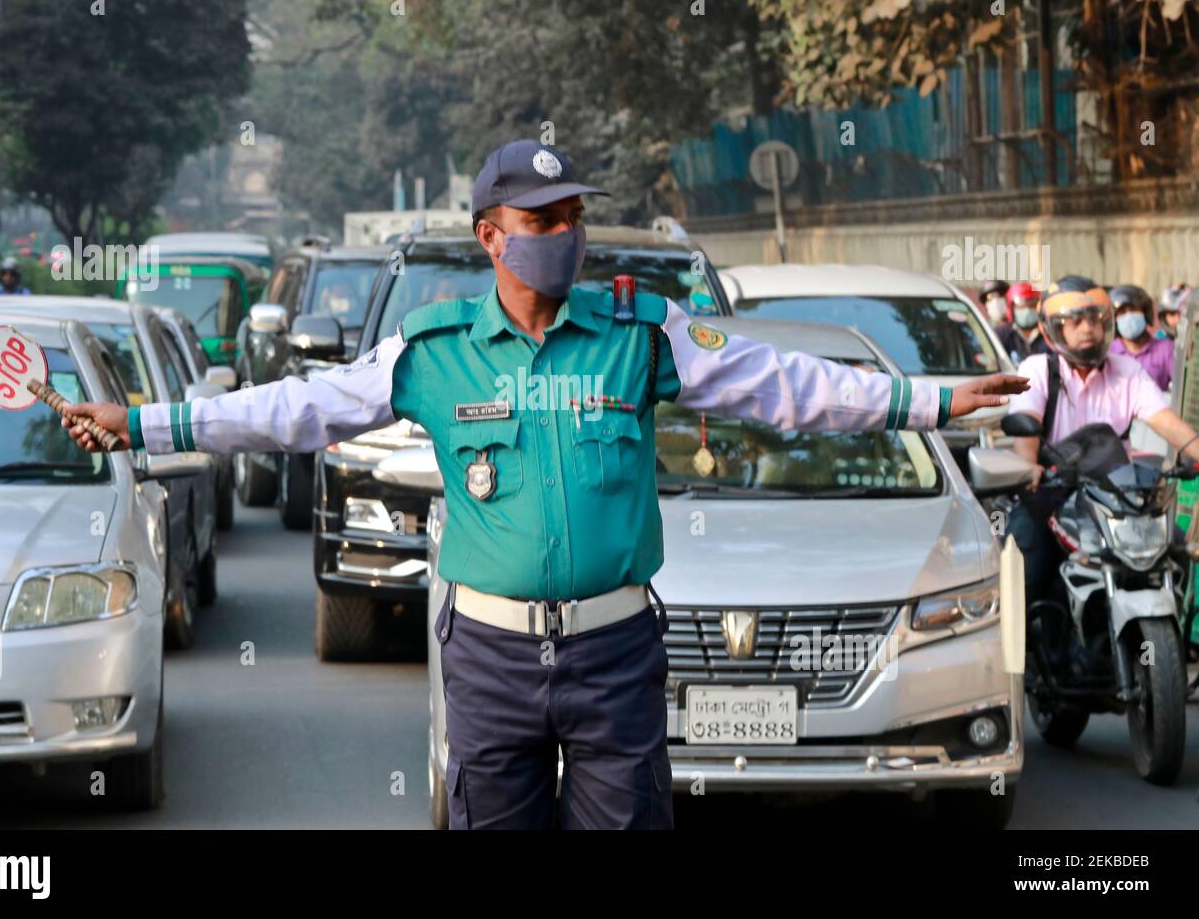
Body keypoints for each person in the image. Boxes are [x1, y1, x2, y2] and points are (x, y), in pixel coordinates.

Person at [58, 139, 1026, 830]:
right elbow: (295, 410)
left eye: (573, 217)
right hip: (489, 653)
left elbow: (787, 385)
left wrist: (931, 400)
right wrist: (144, 422)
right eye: (540, 220)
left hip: (614, 649)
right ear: (491, 235)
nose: (562, 234)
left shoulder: (642, 333)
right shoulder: (433, 352)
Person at [1006, 275, 1199, 609]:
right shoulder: (1037, 370)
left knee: (1176, 553)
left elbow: (1166, 422)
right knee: (1027, 569)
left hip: (1116, 497)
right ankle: (1029, 657)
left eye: (1095, 319)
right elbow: (1025, 438)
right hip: (1051, 495)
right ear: (1053, 329)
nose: (1088, 329)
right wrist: (1028, 468)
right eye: (1075, 321)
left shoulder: (1127, 370)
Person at [1109, 284, 1172, 391]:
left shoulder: (1166, 349)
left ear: (1146, 313)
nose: (1128, 316)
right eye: (1122, 312)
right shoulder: (1109, 352)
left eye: (1133, 310)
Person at [993, 281, 1048, 364]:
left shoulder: (1048, 333)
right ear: (1011, 308)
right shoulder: (1001, 334)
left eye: (1032, 304)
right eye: (1021, 304)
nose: (1028, 309)